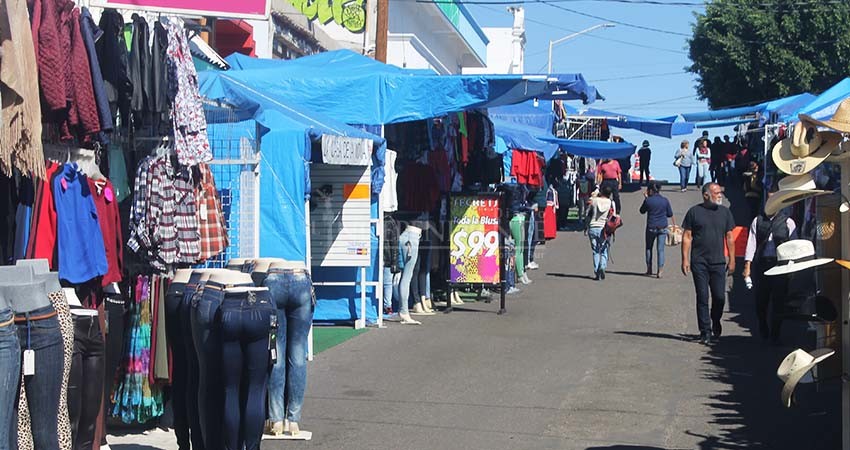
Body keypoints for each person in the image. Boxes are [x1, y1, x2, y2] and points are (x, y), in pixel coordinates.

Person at [681, 183, 736, 345]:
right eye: (716, 192)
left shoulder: (725, 213)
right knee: (702, 296)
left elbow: (730, 238)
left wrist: (732, 260)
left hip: (718, 262)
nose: (720, 195)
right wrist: (685, 258)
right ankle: (705, 331)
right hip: (699, 262)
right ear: (706, 195)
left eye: (720, 192)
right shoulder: (694, 212)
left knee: (719, 297)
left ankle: (715, 319)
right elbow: (687, 236)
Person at [742, 208, 796, 342]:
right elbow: (752, 243)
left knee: (779, 301)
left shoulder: (788, 222)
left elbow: (794, 244)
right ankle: (762, 325)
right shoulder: (758, 221)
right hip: (763, 264)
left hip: (781, 265)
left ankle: (775, 333)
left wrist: (793, 266)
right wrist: (747, 265)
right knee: (761, 300)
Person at [640, 181, 674, 278]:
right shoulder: (665, 200)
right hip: (662, 227)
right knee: (661, 250)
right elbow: (669, 214)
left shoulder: (648, 201)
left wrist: (646, 199)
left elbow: (642, 211)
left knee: (648, 248)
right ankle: (660, 270)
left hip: (651, 227)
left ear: (650, 190)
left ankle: (649, 269)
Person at [585, 185, 614, 281]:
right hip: (603, 228)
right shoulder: (610, 202)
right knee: (604, 249)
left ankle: (597, 270)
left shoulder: (595, 200)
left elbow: (588, 209)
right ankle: (602, 266)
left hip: (593, 227)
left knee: (595, 251)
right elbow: (613, 215)